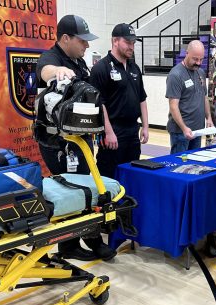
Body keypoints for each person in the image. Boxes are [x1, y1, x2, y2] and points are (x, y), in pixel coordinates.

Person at [35, 14, 116, 261]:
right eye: (83, 41)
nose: (87, 45)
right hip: (58, 144)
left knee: (86, 188)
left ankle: (91, 239)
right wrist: (58, 71)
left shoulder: (80, 63)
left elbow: (94, 98)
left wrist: (105, 128)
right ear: (66, 38)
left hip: (79, 140)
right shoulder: (52, 58)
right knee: (72, 191)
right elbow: (45, 70)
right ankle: (69, 247)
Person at [89, 23, 149, 179]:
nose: (132, 47)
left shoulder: (134, 68)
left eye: (133, 43)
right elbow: (99, 104)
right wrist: (109, 132)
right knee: (108, 174)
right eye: (128, 42)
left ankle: (128, 202)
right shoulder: (101, 68)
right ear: (115, 41)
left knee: (132, 173)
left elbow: (142, 99)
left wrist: (145, 127)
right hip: (113, 131)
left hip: (132, 131)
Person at [165, 40, 213, 154]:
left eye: (201, 59)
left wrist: (209, 117)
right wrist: (184, 128)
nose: (198, 63)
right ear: (186, 53)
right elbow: (173, 106)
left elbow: (204, 97)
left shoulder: (200, 72)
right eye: (195, 59)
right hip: (181, 132)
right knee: (178, 166)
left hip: (197, 130)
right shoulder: (175, 75)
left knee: (194, 165)